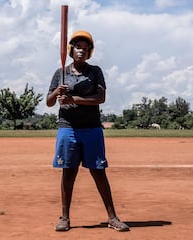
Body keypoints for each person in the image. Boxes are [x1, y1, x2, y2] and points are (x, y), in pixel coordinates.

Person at [46, 30, 130, 232]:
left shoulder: (95, 72)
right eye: (77, 47)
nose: (81, 51)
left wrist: (73, 99)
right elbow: (49, 103)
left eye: (85, 48)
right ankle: (65, 218)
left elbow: (100, 99)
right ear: (71, 50)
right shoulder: (60, 73)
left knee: (98, 172)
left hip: (91, 128)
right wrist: (58, 91)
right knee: (68, 172)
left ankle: (112, 217)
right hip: (68, 128)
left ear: (89, 52)